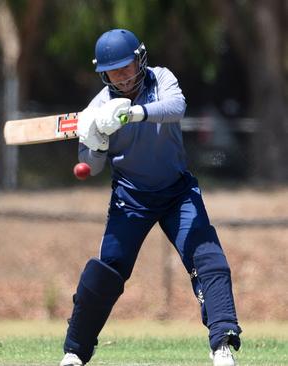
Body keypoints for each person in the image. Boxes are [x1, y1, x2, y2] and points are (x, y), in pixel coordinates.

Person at [59, 29, 242, 366]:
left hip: (177, 192)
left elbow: (176, 108)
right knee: (108, 270)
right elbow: (91, 166)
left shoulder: (161, 79)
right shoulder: (97, 108)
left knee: (207, 257)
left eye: (127, 67)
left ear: (140, 59)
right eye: (114, 71)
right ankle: (74, 351)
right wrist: (95, 141)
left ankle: (222, 344)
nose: (123, 76)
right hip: (131, 197)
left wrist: (131, 114)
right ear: (103, 73)